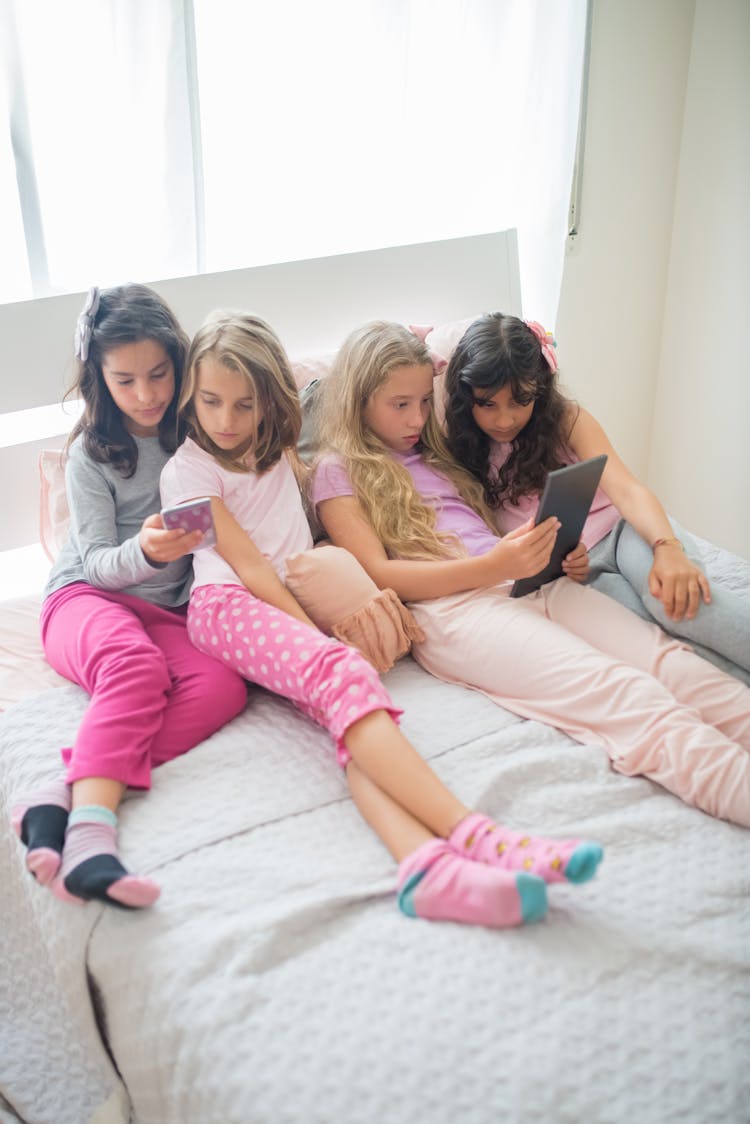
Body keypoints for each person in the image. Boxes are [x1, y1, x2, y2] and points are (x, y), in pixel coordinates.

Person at [159, 309, 604, 931]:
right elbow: (249, 568)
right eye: (210, 401)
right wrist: (317, 639)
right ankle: (479, 838)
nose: (227, 420)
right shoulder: (184, 471)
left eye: (245, 404)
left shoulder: (279, 453)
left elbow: (332, 425)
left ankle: (425, 867)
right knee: (342, 676)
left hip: (283, 597)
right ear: (190, 396)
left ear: (270, 403)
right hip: (229, 604)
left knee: (349, 703)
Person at [310, 320, 750, 828]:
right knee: (626, 696)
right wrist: (493, 565)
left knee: (669, 663)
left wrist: (527, 561)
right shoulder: (335, 467)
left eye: (424, 401)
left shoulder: (437, 450)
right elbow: (379, 574)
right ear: (359, 398)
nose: (417, 417)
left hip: (524, 578)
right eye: (400, 404)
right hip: (455, 608)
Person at [11, 284, 248, 909]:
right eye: (125, 381)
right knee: (136, 667)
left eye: (159, 375)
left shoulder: (199, 432)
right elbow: (94, 563)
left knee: (224, 687)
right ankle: (92, 842)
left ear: (180, 363)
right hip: (86, 598)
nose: (146, 396)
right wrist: (144, 551)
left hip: (167, 609)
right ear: (100, 380)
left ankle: (65, 791)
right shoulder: (91, 455)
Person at [442, 312, 749, 685]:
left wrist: (668, 547)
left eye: (520, 401)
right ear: (465, 397)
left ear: (539, 390)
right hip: (577, 573)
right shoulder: (459, 453)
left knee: (673, 604)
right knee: (660, 643)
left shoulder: (566, 419)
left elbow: (626, 489)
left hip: (625, 532)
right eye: (488, 404)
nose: (504, 419)